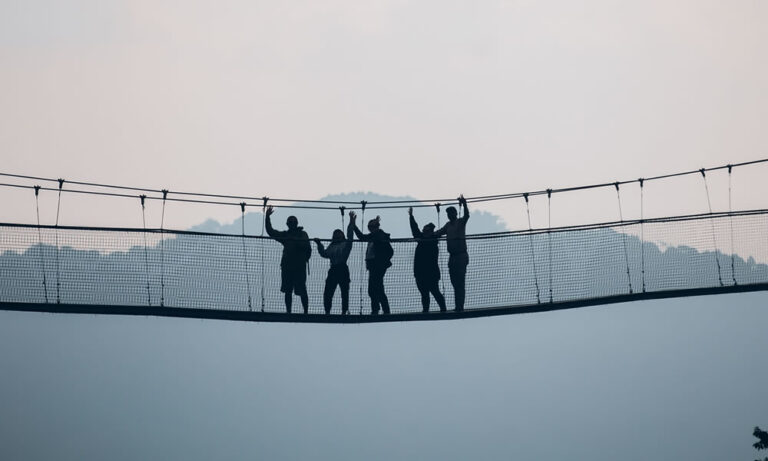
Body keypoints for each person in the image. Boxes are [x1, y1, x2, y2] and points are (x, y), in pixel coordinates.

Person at [265, 205, 311, 313]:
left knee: (302, 290)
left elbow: (306, 246)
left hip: (298, 267)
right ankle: (289, 311)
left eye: (293, 222)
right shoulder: (286, 236)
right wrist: (267, 217)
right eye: (290, 222)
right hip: (288, 267)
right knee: (288, 290)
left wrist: (293, 240)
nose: (292, 224)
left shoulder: (302, 234)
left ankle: (305, 311)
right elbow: (271, 232)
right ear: (288, 224)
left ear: (296, 224)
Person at [313, 211, 356, 315]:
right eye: (335, 235)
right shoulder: (332, 246)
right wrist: (319, 244)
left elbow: (350, 235)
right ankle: (328, 310)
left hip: (340, 268)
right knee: (329, 292)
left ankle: (343, 311)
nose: (337, 237)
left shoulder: (346, 245)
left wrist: (351, 222)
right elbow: (324, 254)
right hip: (336, 269)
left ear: (342, 236)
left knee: (343, 292)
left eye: (338, 235)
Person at [351, 215, 393, 315]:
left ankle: (379, 309)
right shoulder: (377, 235)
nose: (370, 229)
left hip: (377, 266)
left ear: (376, 227)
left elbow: (362, 237)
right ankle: (381, 309)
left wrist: (354, 225)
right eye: (369, 227)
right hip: (375, 266)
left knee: (375, 288)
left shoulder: (378, 236)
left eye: (371, 227)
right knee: (377, 288)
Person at [408, 207, 447, 313]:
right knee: (426, 293)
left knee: (434, 291)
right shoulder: (427, 240)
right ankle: (428, 309)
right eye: (424, 230)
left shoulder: (431, 242)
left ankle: (441, 309)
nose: (423, 232)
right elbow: (415, 230)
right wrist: (411, 217)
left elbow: (416, 231)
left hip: (430, 273)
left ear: (430, 232)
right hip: (423, 273)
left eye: (426, 230)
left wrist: (411, 217)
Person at [436, 195, 470, 311]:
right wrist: (428, 235)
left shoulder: (460, 222)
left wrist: (464, 203)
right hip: (453, 257)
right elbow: (439, 233)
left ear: (455, 214)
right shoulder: (448, 225)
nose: (449, 215)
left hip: (461, 255)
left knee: (460, 282)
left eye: (451, 213)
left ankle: (460, 306)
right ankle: (458, 305)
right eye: (448, 214)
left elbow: (467, 215)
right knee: (454, 282)